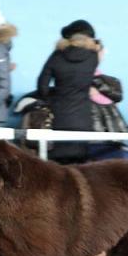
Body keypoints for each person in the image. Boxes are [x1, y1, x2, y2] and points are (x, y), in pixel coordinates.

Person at [37, 19, 99, 164]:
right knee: (81, 165)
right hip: (83, 118)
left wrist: (50, 98)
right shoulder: (92, 57)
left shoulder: (57, 55)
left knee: (59, 166)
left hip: (59, 116)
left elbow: (42, 84)